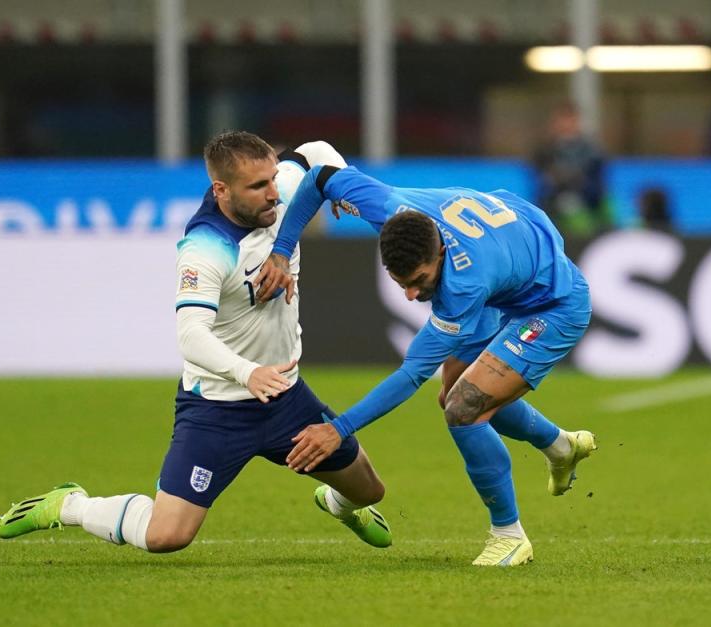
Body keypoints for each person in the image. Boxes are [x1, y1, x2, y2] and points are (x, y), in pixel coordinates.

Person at [0, 132, 392, 553]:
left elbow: (315, 151)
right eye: (258, 187)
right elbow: (191, 335)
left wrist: (343, 182)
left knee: (369, 491)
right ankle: (71, 505)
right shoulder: (205, 249)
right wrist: (247, 372)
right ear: (221, 190)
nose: (274, 195)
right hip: (217, 409)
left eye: (273, 179)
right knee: (167, 536)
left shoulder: (280, 188)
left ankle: (337, 506)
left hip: (286, 399)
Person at [253, 163, 596, 567]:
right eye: (402, 283)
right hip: (514, 239)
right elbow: (321, 178)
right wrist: (281, 251)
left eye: (420, 279)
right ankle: (561, 446)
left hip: (553, 306)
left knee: (464, 408)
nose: (413, 295)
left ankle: (509, 536)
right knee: (459, 396)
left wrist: (338, 429)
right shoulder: (387, 207)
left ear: (441, 252)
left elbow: (411, 373)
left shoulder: (463, 286)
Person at [533, 102, 609, 236]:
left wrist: (575, 181)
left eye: (569, 120)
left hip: (586, 200)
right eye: (562, 120)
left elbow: (597, 184)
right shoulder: (545, 151)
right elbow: (542, 180)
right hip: (554, 201)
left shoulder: (592, 151)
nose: (565, 124)